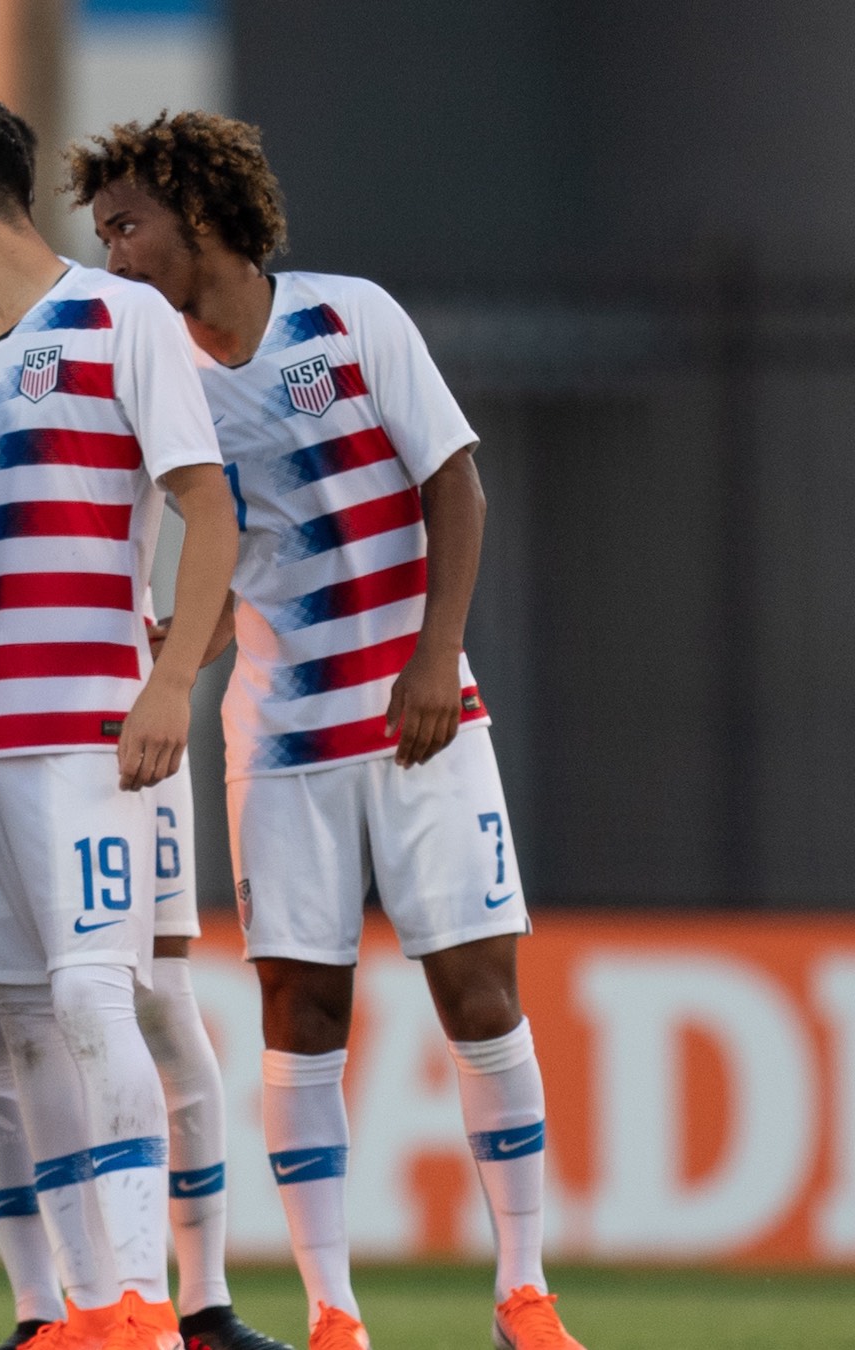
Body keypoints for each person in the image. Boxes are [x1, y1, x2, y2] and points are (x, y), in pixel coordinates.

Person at [69, 110, 582, 1350]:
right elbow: (186, 556)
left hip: (421, 723)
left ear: (199, 215)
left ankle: (525, 1290)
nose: (114, 257)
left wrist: (434, 655)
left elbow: (453, 480)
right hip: (282, 739)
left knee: (477, 993)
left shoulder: (349, 316)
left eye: (128, 226)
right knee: (300, 1013)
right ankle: (334, 1312)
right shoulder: (157, 376)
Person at [0, 92, 239, 1350]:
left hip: (91, 721)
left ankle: (143, 1298)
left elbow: (208, 507)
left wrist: (170, 678)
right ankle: (78, 1308)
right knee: (13, 1024)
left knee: (95, 1002)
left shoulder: (122, 316)